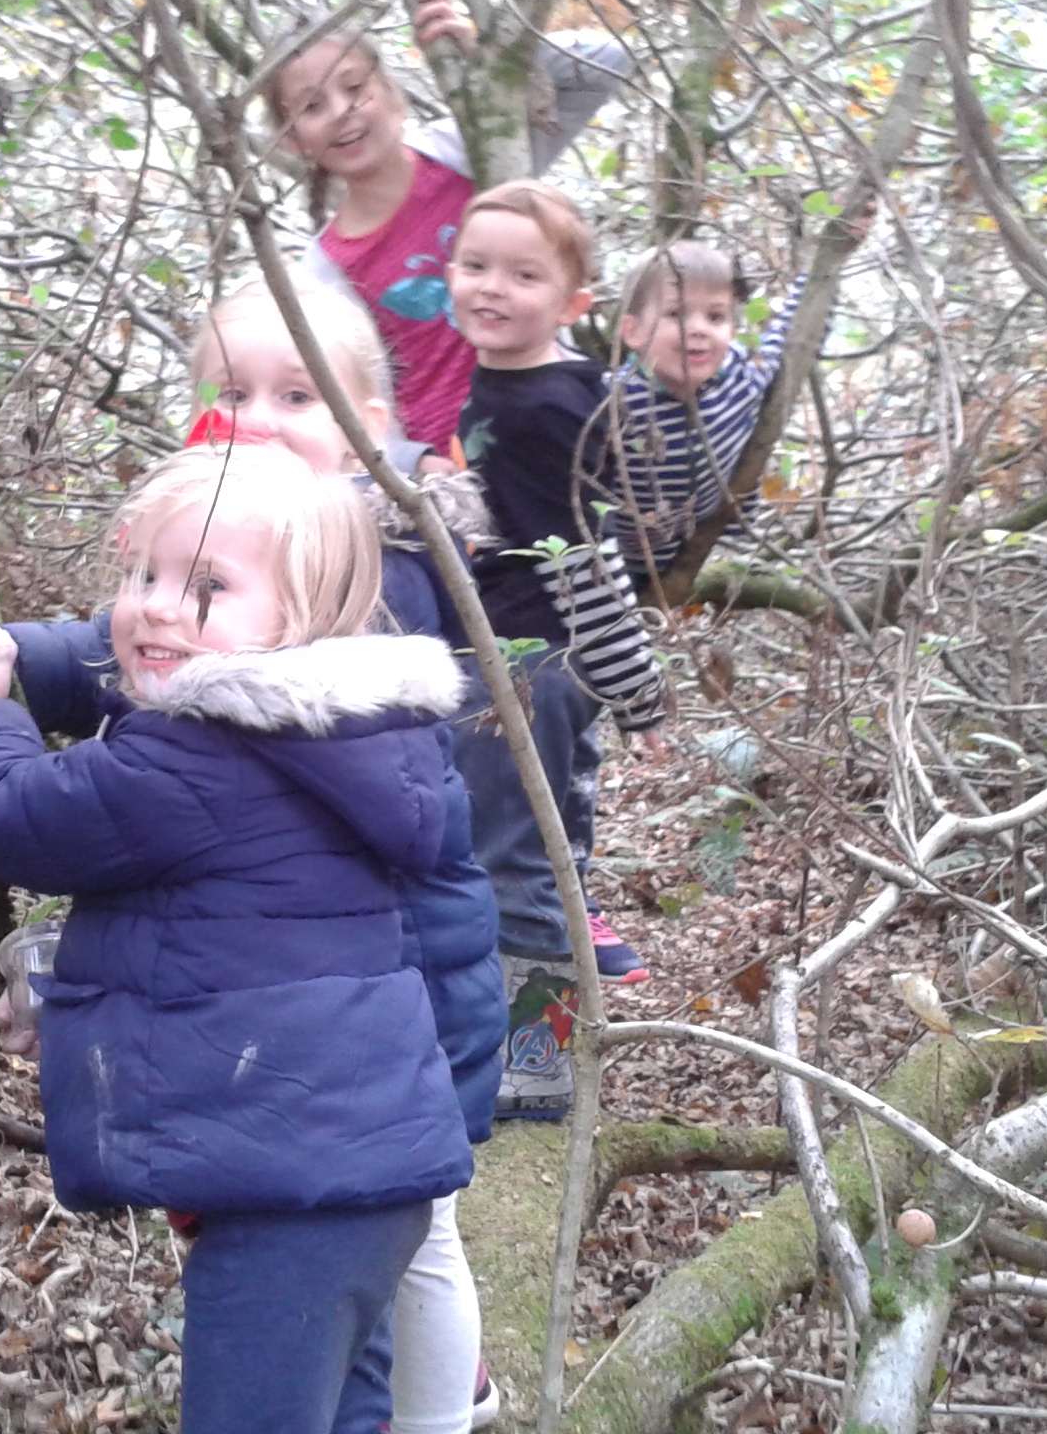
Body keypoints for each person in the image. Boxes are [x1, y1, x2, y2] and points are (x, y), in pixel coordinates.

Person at [0, 446, 476, 1434]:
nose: (159, 606)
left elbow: (18, 816)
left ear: (291, 625)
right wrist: (13, 653)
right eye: (145, 576)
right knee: (343, 1412)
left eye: (206, 587)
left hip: (293, 1192)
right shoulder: (340, 737)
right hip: (346, 1170)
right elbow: (208, 914)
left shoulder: (202, 756)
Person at [178, 283, 506, 1431]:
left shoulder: (375, 559)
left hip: (410, 983)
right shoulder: (230, 546)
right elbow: (155, 654)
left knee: (425, 1230)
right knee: (396, 1240)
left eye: (297, 394)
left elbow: (241, 693)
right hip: (338, 986)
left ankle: (437, 1417)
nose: (257, 420)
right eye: (228, 395)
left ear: (370, 421)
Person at [445, 179, 663, 1118]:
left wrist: (631, 684)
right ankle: (520, 1035)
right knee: (541, 850)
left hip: (529, 661)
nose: (491, 288)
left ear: (573, 304)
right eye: (474, 265)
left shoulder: (553, 410)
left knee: (517, 861)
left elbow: (585, 556)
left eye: (524, 275)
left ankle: (539, 1065)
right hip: (506, 652)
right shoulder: (496, 379)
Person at [271, 0, 629, 455]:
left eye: (356, 88)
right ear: (293, 138)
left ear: (392, 92)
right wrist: (415, 466)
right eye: (311, 107)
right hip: (455, 471)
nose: (341, 112)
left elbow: (609, 60)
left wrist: (493, 60)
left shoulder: (465, 149)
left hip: (557, 422)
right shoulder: (327, 271)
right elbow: (358, 398)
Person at [601, 241, 810, 578]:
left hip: (704, 540)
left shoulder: (741, 374)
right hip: (619, 567)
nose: (698, 328)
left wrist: (831, 255)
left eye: (716, 316)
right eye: (675, 314)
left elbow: (796, 329)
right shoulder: (612, 402)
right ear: (634, 331)